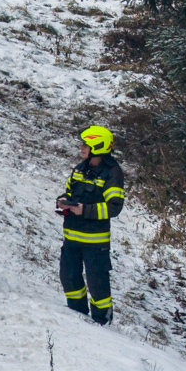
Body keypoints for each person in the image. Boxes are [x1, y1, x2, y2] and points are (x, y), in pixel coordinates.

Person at [58, 125, 125, 324]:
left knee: (98, 284)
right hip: (72, 237)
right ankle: (77, 315)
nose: (81, 148)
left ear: (98, 147)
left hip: (95, 242)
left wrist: (84, 210)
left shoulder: (112, 173)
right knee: (69, 277)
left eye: (85, 145)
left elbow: (114, 207)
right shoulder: (80, 168)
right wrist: (63, 201)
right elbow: (70, 191)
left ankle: (102, 322)